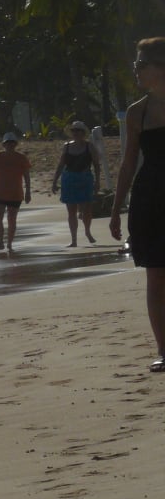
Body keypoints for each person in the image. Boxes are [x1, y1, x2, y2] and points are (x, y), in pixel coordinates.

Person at [110, 37, 165, 372]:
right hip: (151, 199)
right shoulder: (137, 112)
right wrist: (117, 208)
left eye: (141, 65)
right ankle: (163, 349)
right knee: (156, 275)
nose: (136, 71)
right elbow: (129, 164)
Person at [52, 120, 103, 246]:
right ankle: (73, 239)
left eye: (78, 131)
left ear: (83, 132)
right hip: (69, 178)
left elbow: (96, 165)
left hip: (85, 178)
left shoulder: (89, 146)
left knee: (87, 209)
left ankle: (87, 231)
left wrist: (97, 181)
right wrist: (54, 181)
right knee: (71, 211)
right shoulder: (67, 146)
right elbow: (61, 165)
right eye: (74, 131)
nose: (76, 133)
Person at [0, 131, 32, 252]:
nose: (9, 145)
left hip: (15, 194)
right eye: (7, 143)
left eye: (12, 143)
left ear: (15, 144)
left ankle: (10, 244)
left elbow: (26, 176)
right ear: (3, 144)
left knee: (12, 219)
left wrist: (28, 192)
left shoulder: (21, 158)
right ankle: (0, 243)